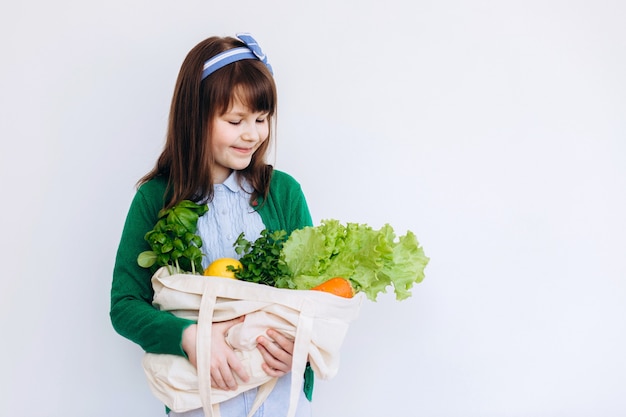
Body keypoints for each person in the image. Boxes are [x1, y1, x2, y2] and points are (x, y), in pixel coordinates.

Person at [110, 33, 314, 417]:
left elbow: (318, 295)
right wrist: (188, 336)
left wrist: (300, 348)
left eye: (261, 118)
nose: (252, 134)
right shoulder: (156, 198)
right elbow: (124, 304)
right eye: (235, 120)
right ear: (195, 117)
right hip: (197, 401)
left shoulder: (283, 193)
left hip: (279, 399)